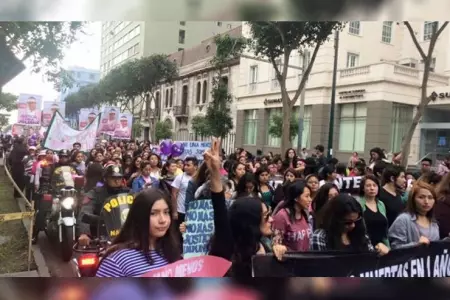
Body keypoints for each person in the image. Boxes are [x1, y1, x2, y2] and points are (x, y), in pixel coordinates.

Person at [310, 193, 389, 256]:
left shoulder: (360, 233)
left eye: (357, 220)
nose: (353, 225)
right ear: (335, 219)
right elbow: (321, 266)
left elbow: (369, 258)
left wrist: (379, 251)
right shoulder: (321, 237)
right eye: (347, 222)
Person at [78, 164, 130, 246]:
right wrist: (84, 233)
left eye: (119, 178)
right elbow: (85, 211)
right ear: (105, 178)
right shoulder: (95, 193)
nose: (117, 181)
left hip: (127, 234)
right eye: (113, 178)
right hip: (101, 236)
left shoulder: (129, 193)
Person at [388, 181, 440, 249]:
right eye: (421, 197)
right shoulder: (403, 219)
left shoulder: (434, 223)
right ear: (413, 199)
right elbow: (394, 247)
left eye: (430, 198)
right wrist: (416, 245)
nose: (426, 202)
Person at [272, 180, 313, 252]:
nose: (310, 199)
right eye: (307, 196)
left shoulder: (304, 213)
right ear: (296, 198)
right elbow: (276, 245)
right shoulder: (282, 216)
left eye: (310, 196)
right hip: (290, 260)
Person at [171, 157, 198, 224]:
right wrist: (174, 211)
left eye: (188, 165)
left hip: (195, 211)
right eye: (185, 165)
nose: (185, 167)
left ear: (195, 167)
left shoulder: (200, 178)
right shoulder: (180, 177)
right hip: (181, 211)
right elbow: (174, 194)